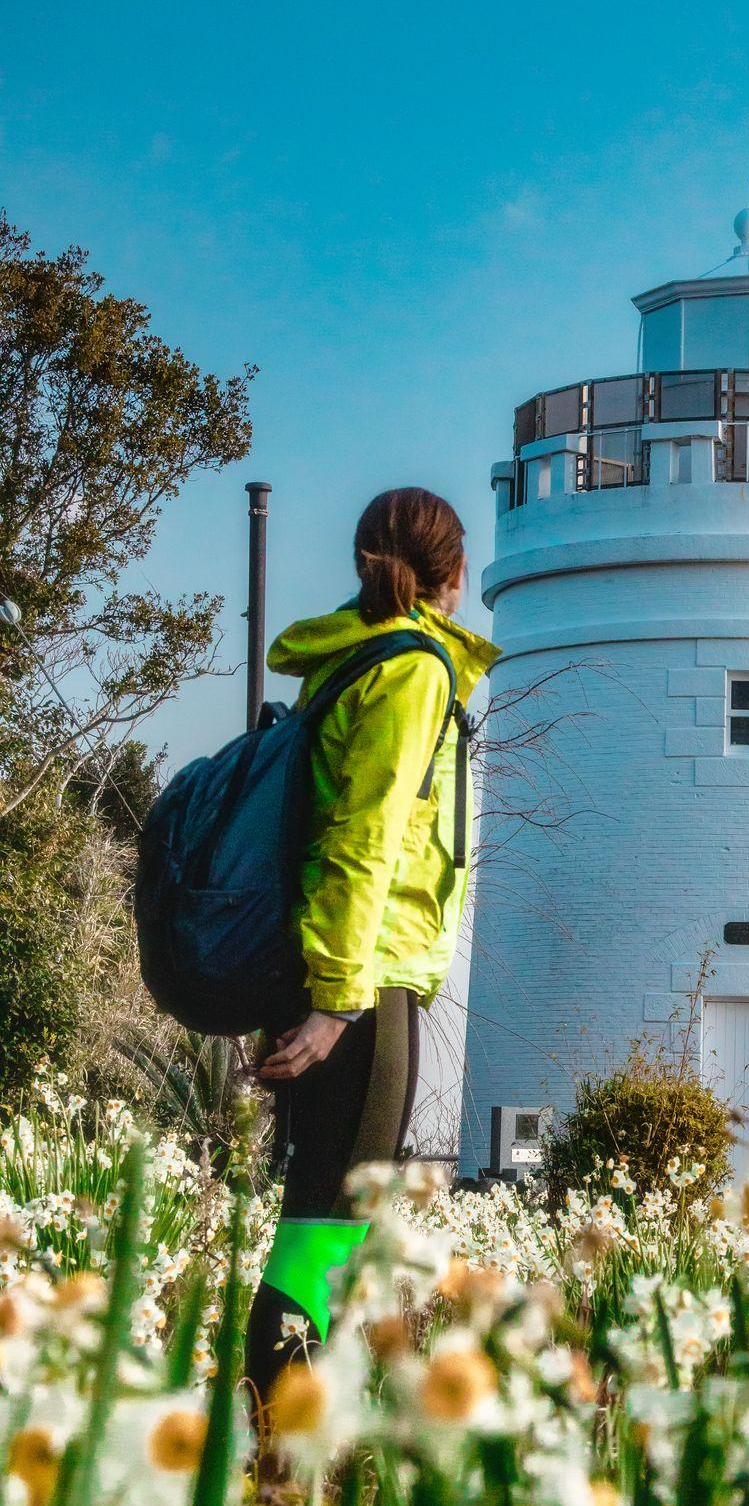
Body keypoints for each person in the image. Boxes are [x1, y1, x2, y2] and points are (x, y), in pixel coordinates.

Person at [243, 485, 499, 1404]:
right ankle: (283, 1439)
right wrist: (339, 1001)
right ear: (454, 572)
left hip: (329, 962)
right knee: (332, 1216)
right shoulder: (413, 668)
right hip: (364, 972)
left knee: (323, 1207)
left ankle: (289, 1423)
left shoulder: (341, 657)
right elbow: (366, 834)